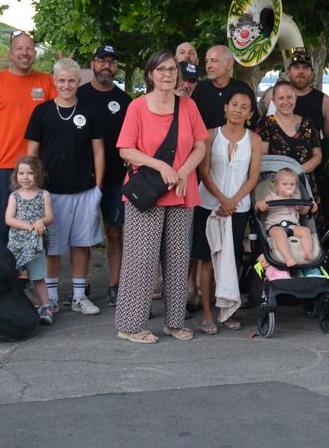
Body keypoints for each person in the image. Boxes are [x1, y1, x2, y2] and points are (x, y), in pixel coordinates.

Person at [114, 49, 210, 344]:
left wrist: (182, 172)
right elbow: (126, 150)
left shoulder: (188, 107)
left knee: (178, 260)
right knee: (141, 260)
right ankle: (130, 325)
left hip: (181, 190)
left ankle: (175, 322)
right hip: (147, 192)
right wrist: (161, 166)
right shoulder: (137, 107)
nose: (167, 74)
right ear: (150, 74)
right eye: (161, 69)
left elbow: (200, 146)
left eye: (171, 70)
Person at [22, 57, 105, 315]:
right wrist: (32, 188)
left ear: (78, 81)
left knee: (81, 243)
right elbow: (32, 153)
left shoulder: (90, 111)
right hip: (51, 191)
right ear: (54, 81)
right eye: (61, 80)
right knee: (52, 246)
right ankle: (51, 297)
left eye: (71, 80)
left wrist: (98, 187)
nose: (66, 85)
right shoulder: (42, 112)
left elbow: (99, 151)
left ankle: (79, 296)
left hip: (84, 189)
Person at [0, 31, 56, 245]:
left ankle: (25, 268)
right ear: (10, 53)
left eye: (29, 49)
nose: (25, 53)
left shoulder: (46, 82)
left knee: (32, 235)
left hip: (35, 170)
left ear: (35, 53)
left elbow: (62, 115)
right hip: (2, 170)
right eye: (19, 48)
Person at [195, 91, 262, 333]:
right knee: (207, 260)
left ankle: (227, 311)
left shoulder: (254, 139)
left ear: (250, 114)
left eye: (244, 107)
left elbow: (253, 177)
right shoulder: (211, 135)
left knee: (231, 259)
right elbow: (203, 171)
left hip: (238, 208)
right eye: (234, 104)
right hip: (208, 204)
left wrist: (233, 201)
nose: (237, 110)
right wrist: (222, 200)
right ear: (225, 107)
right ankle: (207, 313)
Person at [78, 44, 130, 304]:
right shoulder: (78, 95)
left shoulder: (125, 100)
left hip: (116, 178)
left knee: (115, 232)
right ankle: (80, 284)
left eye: (111, 61)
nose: (106, 65)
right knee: (81, 235)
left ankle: (115, 285)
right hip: (81, 178)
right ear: (92, 64)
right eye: (102, 60)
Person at [3, 156, 56, 324]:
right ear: (16, 175)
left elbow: (49, 217)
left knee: (38, 276)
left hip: (36, 243)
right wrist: (28, 226)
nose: (25, 177)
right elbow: (9, 219)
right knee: (16, 275)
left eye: (30, 173)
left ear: (38, 174)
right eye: (21, 173)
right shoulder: (14, 196)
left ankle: (46, 306)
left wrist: (41, 221)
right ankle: (18, 306)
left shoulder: (44, 195)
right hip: (17, 243)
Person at [256, 80, 325, 199]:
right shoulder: (265, 124)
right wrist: (285, 177)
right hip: (276, 189)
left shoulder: (309, 124)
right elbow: (263, 158)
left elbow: (317, 156)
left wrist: (296, 172)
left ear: (296, 98)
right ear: (274, 101)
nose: (286, 102)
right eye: (281, 98)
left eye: (289, 97)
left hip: (306, 185)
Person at [257, 167, 315, 270]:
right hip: (275, 226)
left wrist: (311, 205)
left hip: (292, 225)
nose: (289, 187)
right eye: (285, 184)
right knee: (280, 234)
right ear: (276, 186)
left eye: (292, 185)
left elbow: (303, 211)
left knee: (305, 231)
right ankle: (288, 258)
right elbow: (258, 205)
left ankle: (308, 253)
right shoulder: (272, 196)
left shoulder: (296, 198)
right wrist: (260, 205)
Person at [192, 44, 257, 131]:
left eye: (214, 61)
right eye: (207, 61)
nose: (208, 66)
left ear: (229, 64)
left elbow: (253, 123)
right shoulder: (198, 88)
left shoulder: (243, 89)